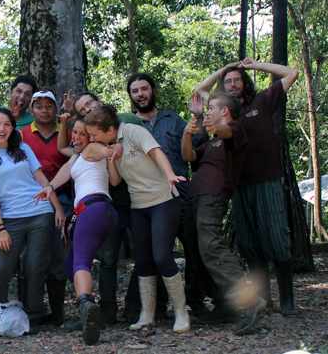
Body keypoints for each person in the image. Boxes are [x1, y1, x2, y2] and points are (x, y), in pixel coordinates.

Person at [194, 57, 299, 316]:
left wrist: (251, 66)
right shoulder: (223, 109)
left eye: (236, 80)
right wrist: (225, 69)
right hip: (238, 184)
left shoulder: (261, 101)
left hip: (267, 179)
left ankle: (287, 301)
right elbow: (200, 89)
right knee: (250, 243)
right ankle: (264, 300)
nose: (231, 84)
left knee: (276, 238)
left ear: (244, 82)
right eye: (227, 81)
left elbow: (291, 73)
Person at [122, 73, 221, 323]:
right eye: (135, 91)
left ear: (153, 90)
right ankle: (151, 308)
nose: (140, 94)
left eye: (144, 88)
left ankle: (197, 304)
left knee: (194, 249)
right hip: (145, 199)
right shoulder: (127, 125)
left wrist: (198, 116)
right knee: (152, 253)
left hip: (180, 196)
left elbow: (198, 144)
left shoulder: (172, 119)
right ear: (131, 96)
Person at [84, 104, 190, 333]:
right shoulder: (108, 145)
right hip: (138, 206)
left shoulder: (132, 131)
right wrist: (110, 153)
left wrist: (170, 175)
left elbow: (157, 152)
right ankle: (146, 315)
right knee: (143, 260)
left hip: (163, 200)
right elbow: (114, 182)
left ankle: (182, 313)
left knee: (162, 256)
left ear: (110, 129)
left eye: (94, 133)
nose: (90, 138)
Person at [183, 92, 267, 335]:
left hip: (212, 195)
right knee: (196, 252)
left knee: (210, 246)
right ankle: (224, 307)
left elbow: (227, 133)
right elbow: (188, 155)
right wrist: (188, 132)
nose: (207, 111)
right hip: (194, 198)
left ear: (225, 111)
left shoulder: (235, 128)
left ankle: (248, 299)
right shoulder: (209, 143)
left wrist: (215, 127)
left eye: (211, 108)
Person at [58, 90, 145, 324]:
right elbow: (65, 152)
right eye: (81, 110)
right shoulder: (85, 149)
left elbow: (114, 154)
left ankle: (131, 308)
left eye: (89, 105)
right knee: (97, 261)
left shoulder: (122, 126)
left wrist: (113, 151)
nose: (86, 109)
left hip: (124, 203)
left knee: (142, 256)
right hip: (105, 207)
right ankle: (100, 310)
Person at [0, 108, 64, 331]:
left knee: (35, 266)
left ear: (12, 128)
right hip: (10, 218)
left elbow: (42, 179)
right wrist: (1, 227)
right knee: (0, 269)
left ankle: (33, 317)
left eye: (7, 124)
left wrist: (58, 208)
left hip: (39, 212)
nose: (2, 129)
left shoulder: (23, 148)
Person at [34, 116, 120, 345]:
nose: (78, 137)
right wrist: (49, 187)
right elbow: (113, 179)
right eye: (76, 132)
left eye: (84, 133)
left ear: (91, 136)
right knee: (69, 264)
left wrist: (111, 151)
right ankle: (88, 314)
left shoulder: (93, 148)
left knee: (81, 262)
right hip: (105, 212)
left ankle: (86, 305)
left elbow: (108, 151)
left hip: (91, 210)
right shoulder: (79, 157)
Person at [18, 90, 72, 326]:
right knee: (28, 257)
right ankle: (30, 311)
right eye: (38, 106)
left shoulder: (67, 133)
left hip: (62, 198)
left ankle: (58, 312)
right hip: (30, 201)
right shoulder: (20, 135)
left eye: (49, 105)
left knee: (57, 256)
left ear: (56, 109)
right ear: (31, 111)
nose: (44, 110)